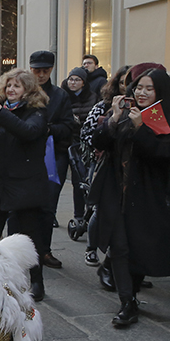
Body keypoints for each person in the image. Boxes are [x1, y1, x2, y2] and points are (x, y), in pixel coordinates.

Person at [90, 64, 170, 327]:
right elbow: (99, 142)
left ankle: (133, 290)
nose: (142, 93)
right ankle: (127, 302)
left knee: (138, 248)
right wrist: (114, 119)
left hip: (146, 196)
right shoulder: (123, 111)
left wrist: (141, 128)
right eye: (139, 87)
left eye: (149, 89)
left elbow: (164, 154)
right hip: (115, 191)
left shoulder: (167, 116)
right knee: (118, 247)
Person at [0, 69, 50, 301]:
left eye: (17, 86)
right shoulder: (0, 112)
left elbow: (28, 132)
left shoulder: (35, 112)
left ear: (28, 90)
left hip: (24, 186)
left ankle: (36, 280)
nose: (11, 90)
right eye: (8, 86)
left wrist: (1, 114)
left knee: (31, 236)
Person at [30, 50, 78, 270]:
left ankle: (45, 250)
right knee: (24, 206)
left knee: (48, 205)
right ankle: (26, 249)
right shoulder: (22, 91)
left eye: (45, 71)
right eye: (36, 70)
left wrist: (48, 129)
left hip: (53, 155)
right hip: (27, 155)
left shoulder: (60, 95)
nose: (40, 75)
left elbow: (68, 126)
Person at [78, 67, 129, 274]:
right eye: (124, 82)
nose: (127, 86)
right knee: (99, 209)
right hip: (104, 164)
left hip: (128, 169)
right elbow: (88, 134)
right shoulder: (103, 106)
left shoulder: (141, 108)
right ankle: (92, 247)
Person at [63, 67, 97, 237]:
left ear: (83, 82)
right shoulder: (63, 95)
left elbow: (92, 120)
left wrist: (78, 123)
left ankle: (80, 215)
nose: (72, 83)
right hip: (65, 141)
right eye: (71, 79)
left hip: (82, 144)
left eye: (76, 80)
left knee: (79, 180)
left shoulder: (91, 97)